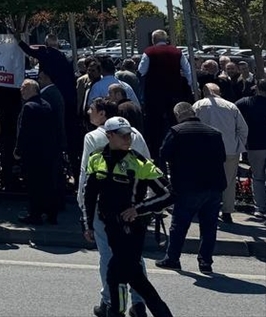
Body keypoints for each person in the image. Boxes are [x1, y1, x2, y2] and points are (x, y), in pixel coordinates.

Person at [83, 117, 175, 317]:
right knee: (131, 278)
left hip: (132, 229)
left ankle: (117, 312)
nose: (128, 139)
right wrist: (87, 224)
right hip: (109, 226)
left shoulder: (139, 162)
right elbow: (89, 195)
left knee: (116, 273)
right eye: (122, 135)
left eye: (129, 135)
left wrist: (139, 209)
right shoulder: (96, 158)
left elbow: (169, 194)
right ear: (109, 136)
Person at [78, 102, 151, 317]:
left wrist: (84, 210)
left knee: (108, 256)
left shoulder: (93, 137)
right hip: (133, 204)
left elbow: (86, 175)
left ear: (102, 115)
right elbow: (147, 165)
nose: (89, 112)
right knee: (135, 256)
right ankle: (138, 303)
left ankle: (110, 301)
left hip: (105, 205)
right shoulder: (135, 134)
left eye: (91, 109)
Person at [156, 101, 226, 274]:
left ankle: (172, 258)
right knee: (209, 227)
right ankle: (205, 262)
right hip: (214, 186)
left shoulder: (176, 132)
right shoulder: (214, 133)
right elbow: (222, 157)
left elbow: (162, 155)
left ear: (178, 115)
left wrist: (166, 181)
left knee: (179, 225)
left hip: (188, 186)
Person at [192, 83, 249, 224]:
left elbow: (191, 125)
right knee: (228, 182)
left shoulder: (198, 105)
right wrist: (238, 145)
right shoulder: (231, 106)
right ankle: (227, 212)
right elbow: (243, 129)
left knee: (205, 181)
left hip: (205, 151)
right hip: (229, 149)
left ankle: (205, 209)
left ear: (205, 92)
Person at [14, 79, 63, 224]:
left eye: (24, 88)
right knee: (48, 183)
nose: (21, 90)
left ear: (33, 90)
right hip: (48, 152)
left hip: (33, 153)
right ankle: (51, 214)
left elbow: (24, 131)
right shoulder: (47, 105)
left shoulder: (28, 107)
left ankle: (35, 214)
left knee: (34, 185)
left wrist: (18, 149)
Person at [139, 30, 194, 159]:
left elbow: (141, 71)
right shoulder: (177, 52)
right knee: (175, 123)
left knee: (155, 127)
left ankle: (157, 156)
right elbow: (188, 71)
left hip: (154, 96)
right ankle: (178, 152)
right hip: (174, 94)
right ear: (166, 39)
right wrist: (188, 86)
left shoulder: (148, 52)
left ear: (153, 40)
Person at [236, 79, 266, 218]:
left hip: (255, 144)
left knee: (258, 177)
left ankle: (260, 207)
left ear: (257, 89)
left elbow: (233, 111)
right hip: (256, 144)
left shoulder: (246, 102)